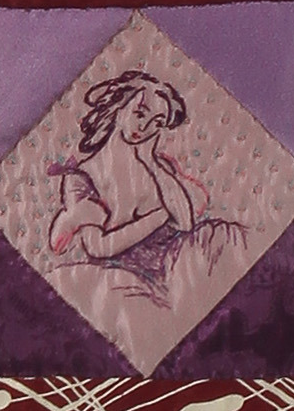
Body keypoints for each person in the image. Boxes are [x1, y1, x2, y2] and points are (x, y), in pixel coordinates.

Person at [46, 70, 232, 301]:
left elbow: (185, 222)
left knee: (223, 235)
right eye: (140, 114)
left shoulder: (159, 167)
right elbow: (98, 248)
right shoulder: (82, 177)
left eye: (157, 123)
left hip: (176, 267)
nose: (145, 128)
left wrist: (151, 162)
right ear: (119, 107)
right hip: (124, 277)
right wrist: (160, 216)